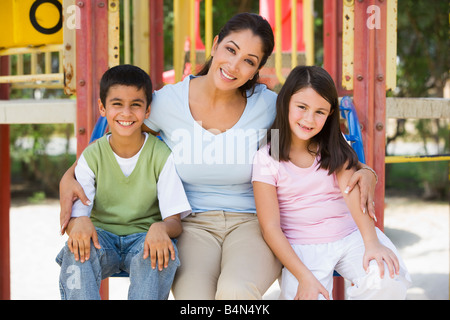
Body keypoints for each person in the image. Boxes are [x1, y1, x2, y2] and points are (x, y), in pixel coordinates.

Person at [59, 13, 378, 300]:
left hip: (255, 224)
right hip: (191, 225)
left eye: (249, 61)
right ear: (215, 45)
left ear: (258, 68)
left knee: (235, 294)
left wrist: (364, 170)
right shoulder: (166, 103)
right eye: (231, 49)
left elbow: (316, 140)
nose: (235, 65)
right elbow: (117, 135)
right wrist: (69, 175)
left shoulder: (269, 107)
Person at [252, 65, 412, 300]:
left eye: (320, 112)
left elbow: (354, 196)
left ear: (329, 115)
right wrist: (304, 277)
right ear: (285, 102)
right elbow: (270, 228)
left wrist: (372, 242)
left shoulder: (334, 145)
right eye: (302, 107)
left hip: (350, 235)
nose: (309, 119)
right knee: (306, 295)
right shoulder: (267, 157)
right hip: (302, 246)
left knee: (385, 279)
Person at [56, 65, 191, 300]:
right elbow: (76, 219)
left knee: (162, 253)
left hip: (143, 239)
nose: (126, 113)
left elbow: (174, 222)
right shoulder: (92, 156)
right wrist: (78, 224)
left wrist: (161, 228)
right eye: (117, 104)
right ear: (102, 107)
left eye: (136, 105)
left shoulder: (161, 155)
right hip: (101, 239)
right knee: (75, 250)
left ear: (147, 110)